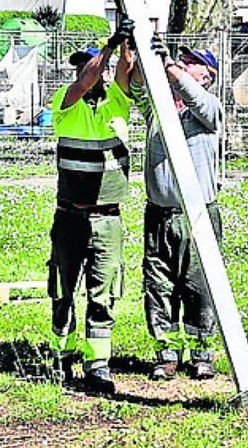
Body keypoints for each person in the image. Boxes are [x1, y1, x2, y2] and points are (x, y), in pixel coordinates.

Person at [48, 24, 136, 396]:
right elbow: (84, 82)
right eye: (88, 66)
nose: (94, 72)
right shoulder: (65, 105)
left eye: (97, 65)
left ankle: (97, 365)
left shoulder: (118, 103)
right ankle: (62, 355)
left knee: (103, 294)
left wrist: (131, 45)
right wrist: (111, 44)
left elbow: (126, 73)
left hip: (107, 218)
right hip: (70, 215)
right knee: (63, 289)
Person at [135, 41, 224, 381]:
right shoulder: (158, 111)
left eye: (193, 63)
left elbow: (196, 99)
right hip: (159, 214)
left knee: (199, 284)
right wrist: (138, 51)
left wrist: (171, 67)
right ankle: (167, 352)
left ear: (207, 76)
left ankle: (202, 353)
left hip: (197, 216)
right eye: (183, 60)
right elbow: (139, 85)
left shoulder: (208, 110)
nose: (186, 64)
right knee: (158, 284)